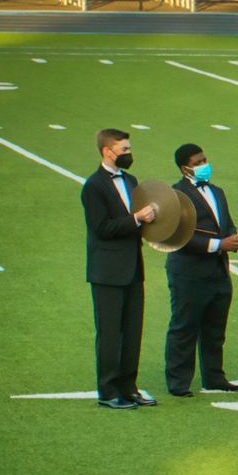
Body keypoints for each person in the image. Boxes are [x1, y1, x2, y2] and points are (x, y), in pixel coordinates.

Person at [83, 127, 159, 409]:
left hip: (132, 268)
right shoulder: (93, 186)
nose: (129, 154)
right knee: (110, 332)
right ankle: (108, 391)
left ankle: (129, 387)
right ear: (107, 151)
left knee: (132, 330)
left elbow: (135, 222)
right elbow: (101, 228)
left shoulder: (130, 180)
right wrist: (137, 218)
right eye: (124, 150)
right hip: (107, 271)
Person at [164, 141, 238, 398]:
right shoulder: (176, 195)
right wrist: (220, 244)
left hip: (218, 272)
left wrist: (233, 238)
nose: (203, 166)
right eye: (198, 162)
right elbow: (179, 236)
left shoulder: (217, 192)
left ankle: (214, 377)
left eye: (204, 160)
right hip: (188, 273)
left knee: (215, 329)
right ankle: (178, 382)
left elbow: (226, 224)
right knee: (184, 327)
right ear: (184, 167)